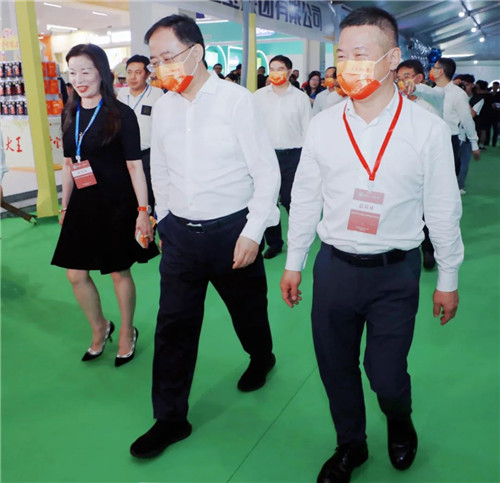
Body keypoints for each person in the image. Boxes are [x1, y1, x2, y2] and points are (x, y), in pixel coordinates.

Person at [280, 7, 463, 483]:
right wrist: (295, 260)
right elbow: (305, 197)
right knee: (335, 366)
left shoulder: (426, 128)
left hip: (394, 272)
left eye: (360, 54)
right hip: (335, 268)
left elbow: (443, 207)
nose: (348, 65)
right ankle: (351, 444)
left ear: (392, 59)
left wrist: (448, 276)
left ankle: (398, 420)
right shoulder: (323, 124)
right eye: (342, 55)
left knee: (385, 374)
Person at [130, 14, 280, 459]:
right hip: (181, 236)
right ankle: (170, 419)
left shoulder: (237, 101)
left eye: (167, 57)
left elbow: (266, 172)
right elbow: (159, 167)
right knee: (173, 327)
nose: (160, 68)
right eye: (155, 61)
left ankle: (262, 356)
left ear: (196, 52)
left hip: (233, 232)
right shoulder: (166, 105)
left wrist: (253, 231)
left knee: (248, 311)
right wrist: (164, 217)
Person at [51, 44, 158, 367]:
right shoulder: (69, 113)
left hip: (116, 202)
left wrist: (143, 211)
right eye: (73, 72)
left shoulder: (120, 114)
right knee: (75, 274)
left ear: (102, 73)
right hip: (83, 202)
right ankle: (100, 327)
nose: (79, 79)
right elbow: (69, 163)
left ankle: (126, 330)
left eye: (86, 71)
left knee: (118, 271)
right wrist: (65, 205)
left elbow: (135, 167)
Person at [253, 55, 311, 259]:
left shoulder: (300, 98)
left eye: (280, 69)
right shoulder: (258, 96)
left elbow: (308, 130)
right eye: (272, 68)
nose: (275, 72)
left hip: (293, 155)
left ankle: (299, 240)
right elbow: (252, 127)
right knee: (268, 201)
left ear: (289, 72)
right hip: (266, 155)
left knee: (290, 200)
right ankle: (274, 242)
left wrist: (306, 160)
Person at [405, 57, 480, 175]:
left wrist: (474, 143)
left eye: (434, 67)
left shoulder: (458, 94)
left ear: (440, 71)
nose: (431, 70)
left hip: (449, 139)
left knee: (447, 175)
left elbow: (466, 119)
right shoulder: (431, 91)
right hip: (428, 139)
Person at [117, 55, 164, 212]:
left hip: (146, 156)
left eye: (138, 72)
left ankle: (147, 226)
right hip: (124, 156)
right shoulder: (121, 94)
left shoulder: (157, 95)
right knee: (126, 196)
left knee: (147, 197)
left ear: (147, 74)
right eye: (129, 72)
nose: (132, 77)